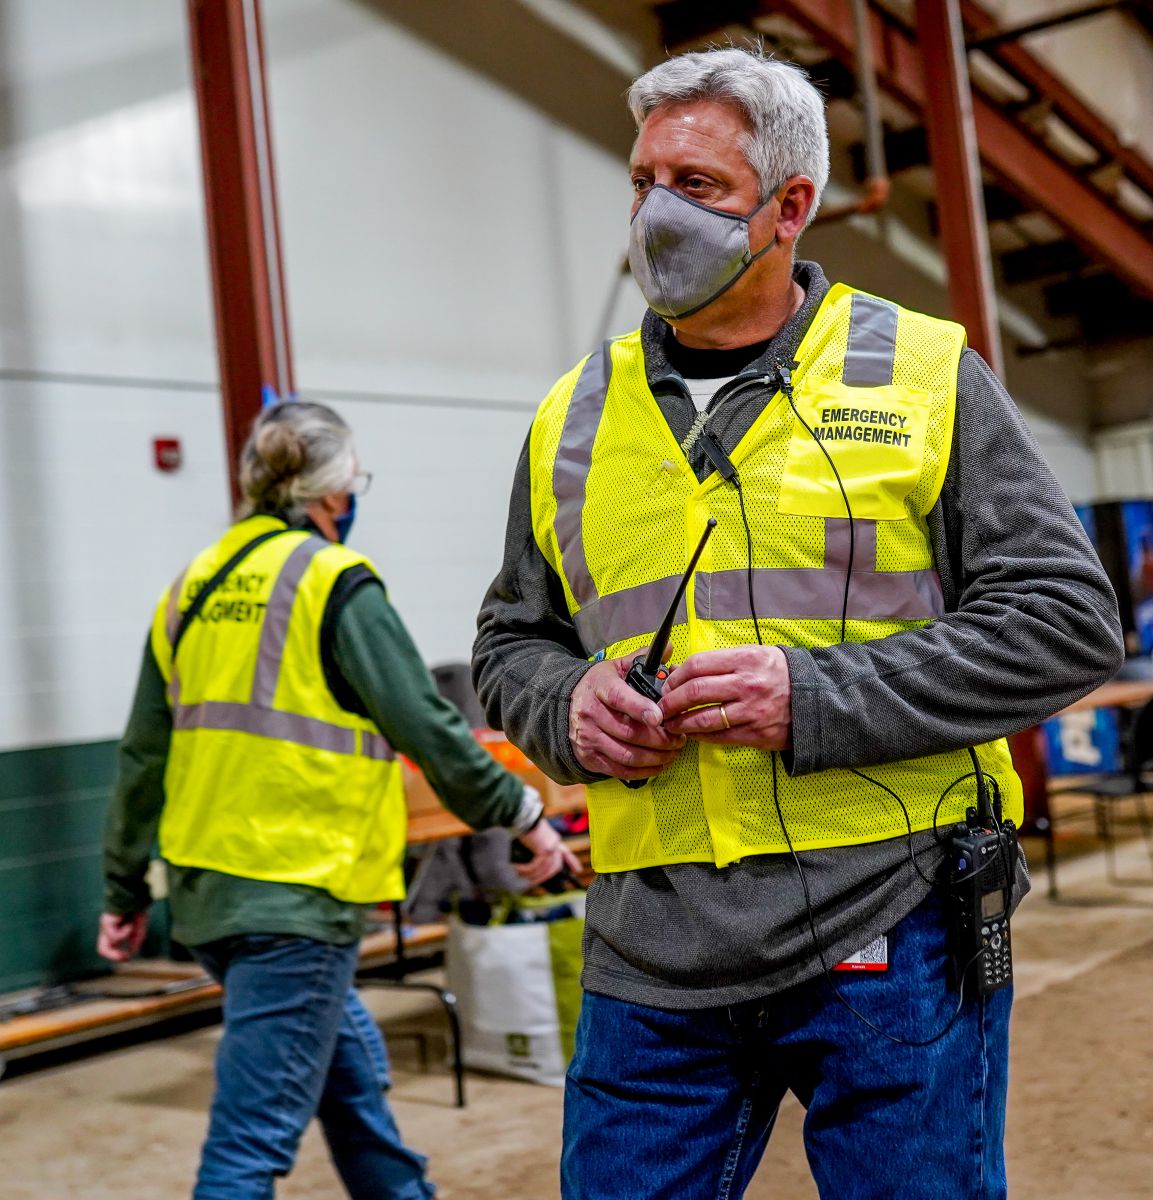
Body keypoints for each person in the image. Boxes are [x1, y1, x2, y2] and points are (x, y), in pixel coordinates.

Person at [472, 46, 1123, 1200]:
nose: (656, 212)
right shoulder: (571, 418)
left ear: (791, 207)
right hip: (649, 947)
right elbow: (510, 643)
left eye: (698, 185)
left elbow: (1067, 622)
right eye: (641, 180)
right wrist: (566, 706)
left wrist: (815, 698)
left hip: (888, 923)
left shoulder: (925, 377)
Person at [99, 399, 579, 1200]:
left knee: (351, 1096)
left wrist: (121, 890)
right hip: (298, 901)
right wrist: (526, 817)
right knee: (246, 1152)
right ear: (332, 496)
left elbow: (141, 756)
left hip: (209, 898)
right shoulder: (334, 584)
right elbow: (430, 729)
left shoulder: (190, 586)